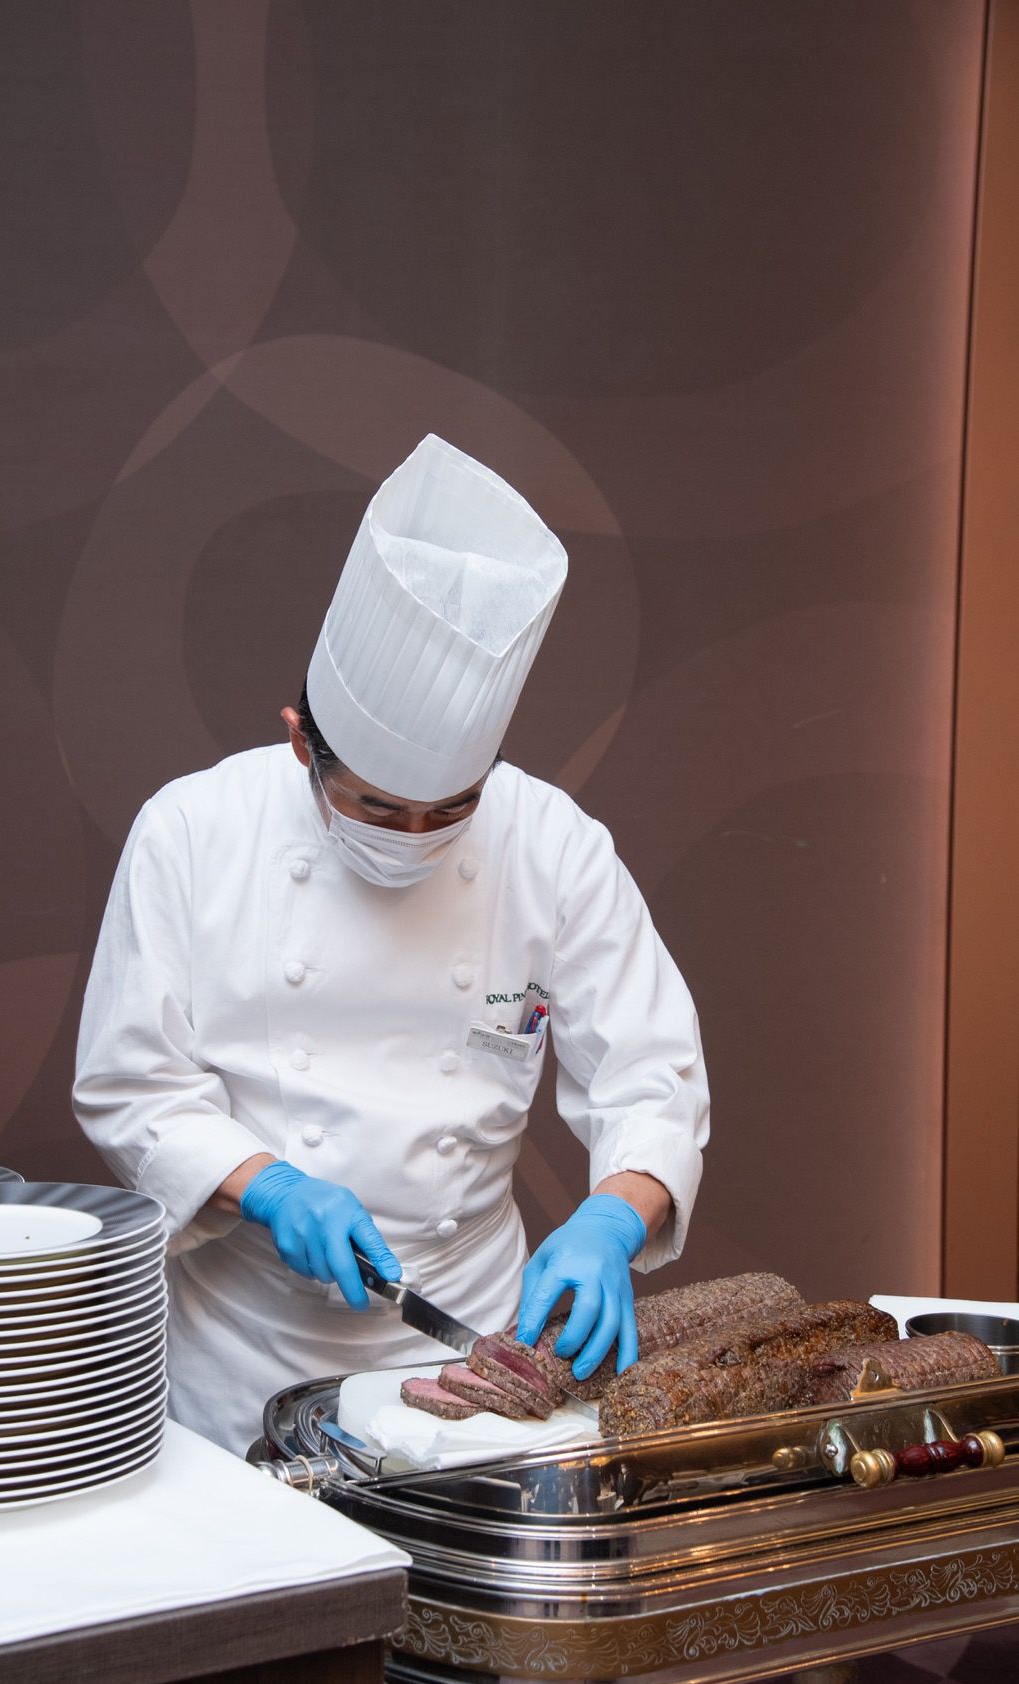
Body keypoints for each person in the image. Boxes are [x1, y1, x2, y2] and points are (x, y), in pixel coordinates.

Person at [74, 435, 709, 1454]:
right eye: (376, 806)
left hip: (470, 1343)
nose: (413, 837)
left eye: (449, 810)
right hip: (241, 1351)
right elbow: (127, 1081)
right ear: (300, 740)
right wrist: (267, 1184)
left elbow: (652, 1076)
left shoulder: (551, 841)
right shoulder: (191, 829)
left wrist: (611, 1219)